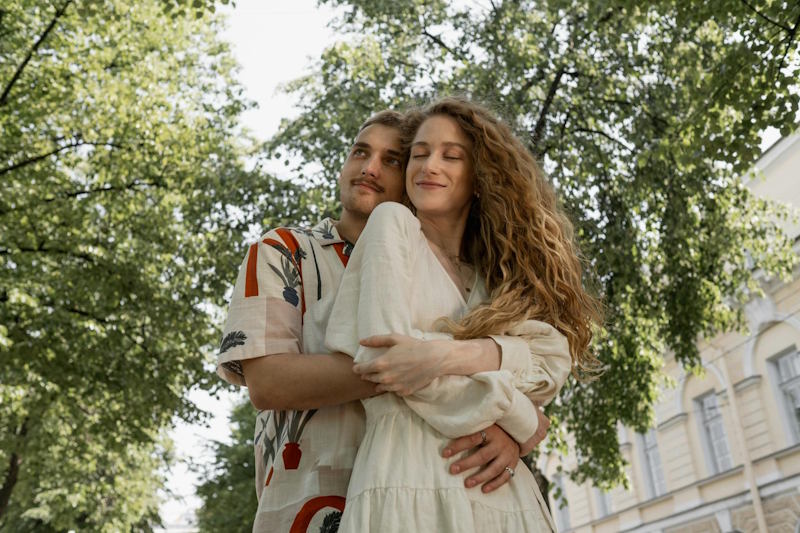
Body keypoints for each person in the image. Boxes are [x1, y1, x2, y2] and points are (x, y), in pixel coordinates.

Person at [216, 110, 552, 532]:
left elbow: (529, 366)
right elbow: (268, 382)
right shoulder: (284, 250)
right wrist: (475, 381)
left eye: (392, 159)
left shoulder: (465, 277)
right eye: (360, 151)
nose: (369, 168)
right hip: (308, 507)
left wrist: (502, 431)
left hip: (427, 502)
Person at [324, 97, 602, 532]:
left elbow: (551, 362)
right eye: (419, 154)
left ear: (478, 177)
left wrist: (443, 356)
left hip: (501, 494)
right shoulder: (392, 224)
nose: (429, 165)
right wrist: (522, 419)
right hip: (409, 478)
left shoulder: (495, 279)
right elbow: (387, 363)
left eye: (450, 156)